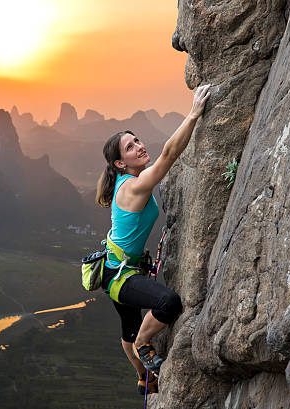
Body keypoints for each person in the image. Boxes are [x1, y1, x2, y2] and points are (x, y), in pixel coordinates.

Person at [95, 84, 211, 395]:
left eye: (137, 141)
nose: (139, 147)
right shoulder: (133, 186)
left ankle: (142, 377)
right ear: (121, 163)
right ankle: (144, 346)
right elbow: (169, 155)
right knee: (167, 303)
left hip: (114, 268)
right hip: (120, 277)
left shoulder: (126, 180)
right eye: (130, 148)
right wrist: (194, 114)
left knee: (127, 327)